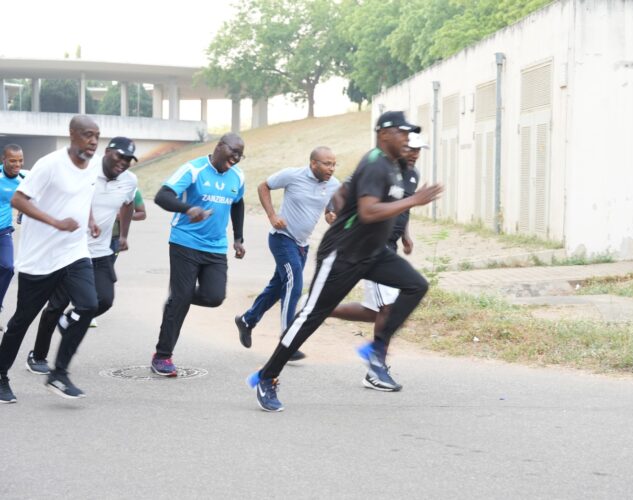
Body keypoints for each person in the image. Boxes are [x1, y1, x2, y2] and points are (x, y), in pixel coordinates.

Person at [247, 111, 443, 412]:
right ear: (384, 134)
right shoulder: (376, 163)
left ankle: (376, 351)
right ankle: (267, 377)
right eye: (402, 133)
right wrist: (414, 201)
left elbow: (345, 190)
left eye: (409, 135)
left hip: (374, 253)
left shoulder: (395, 167)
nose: (407, 139)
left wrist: (341, 202)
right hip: (342, 255)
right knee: (310, 318)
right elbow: (367, 212)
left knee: (416, 285)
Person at [0, 115, 101, 403]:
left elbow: (86, 193)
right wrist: (55, 222)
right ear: (71, 134)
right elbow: (19, 199)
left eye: (96, 135)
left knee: (89, 304)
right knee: (21, 321)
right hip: (40, 258)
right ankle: (0, 375)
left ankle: (59, 373)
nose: (93, 141)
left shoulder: (93, 163)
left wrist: (90, 219)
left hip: (74, 252)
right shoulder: (50, 164)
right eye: (87, 135)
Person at [25, 137, 139, 375]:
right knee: (55, 305)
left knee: (104, 300)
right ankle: (38, 355)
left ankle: (70, 320)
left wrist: (124, 235)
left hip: (101, 250)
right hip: (71, 249)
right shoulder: (85, 170)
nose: (123, 163)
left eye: (128, 160)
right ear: (107, 152)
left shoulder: (129, 181)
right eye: (120, 156)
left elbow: (128, 205)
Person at [151, 133, 246, 377]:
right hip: (185, 242)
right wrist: (188, 208)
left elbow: (238, 203)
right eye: (233, 152)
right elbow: (162, 196)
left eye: (240, 155)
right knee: (181, 299)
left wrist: (238, 238)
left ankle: (177, 299)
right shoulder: (193, 169)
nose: (235, 159)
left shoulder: (237, 176)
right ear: (219, 147)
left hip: (215, 247)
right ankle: (162, 356)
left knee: (214, 297)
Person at [234, 147, 340, 361]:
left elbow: (330, 207)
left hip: (302, 244)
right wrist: (272, 215)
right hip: (282, 239)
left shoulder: (334, 185)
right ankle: (287, 340)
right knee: (294, 284)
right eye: (327, 164)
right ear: (313, 164)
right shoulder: (293, 175)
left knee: (278, 287)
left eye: (333, 164)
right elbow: (263, 186)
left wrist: (330, 215)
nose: (331, 168)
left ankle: (247, 320)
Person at [329, 132, 428, 342]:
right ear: (400, 147)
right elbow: (340, 194)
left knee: (374, 312)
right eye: (411, 149)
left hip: (391, 245)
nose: (415, 155)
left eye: (418, 150)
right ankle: (376, 365)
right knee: (388, 307)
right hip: (373, 245)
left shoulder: (412, 175)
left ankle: (320, 308)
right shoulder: (380, 169)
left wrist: (405, 235)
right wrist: (348, 228)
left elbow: (403, 206)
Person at [0, 145, 26, 326]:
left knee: (8, 268)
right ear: (3, 160)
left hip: (3, 232)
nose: (17, 164)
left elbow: (32, 198)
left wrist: (23, 213)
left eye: (20, 160)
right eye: (13, 160)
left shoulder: (24, 180)